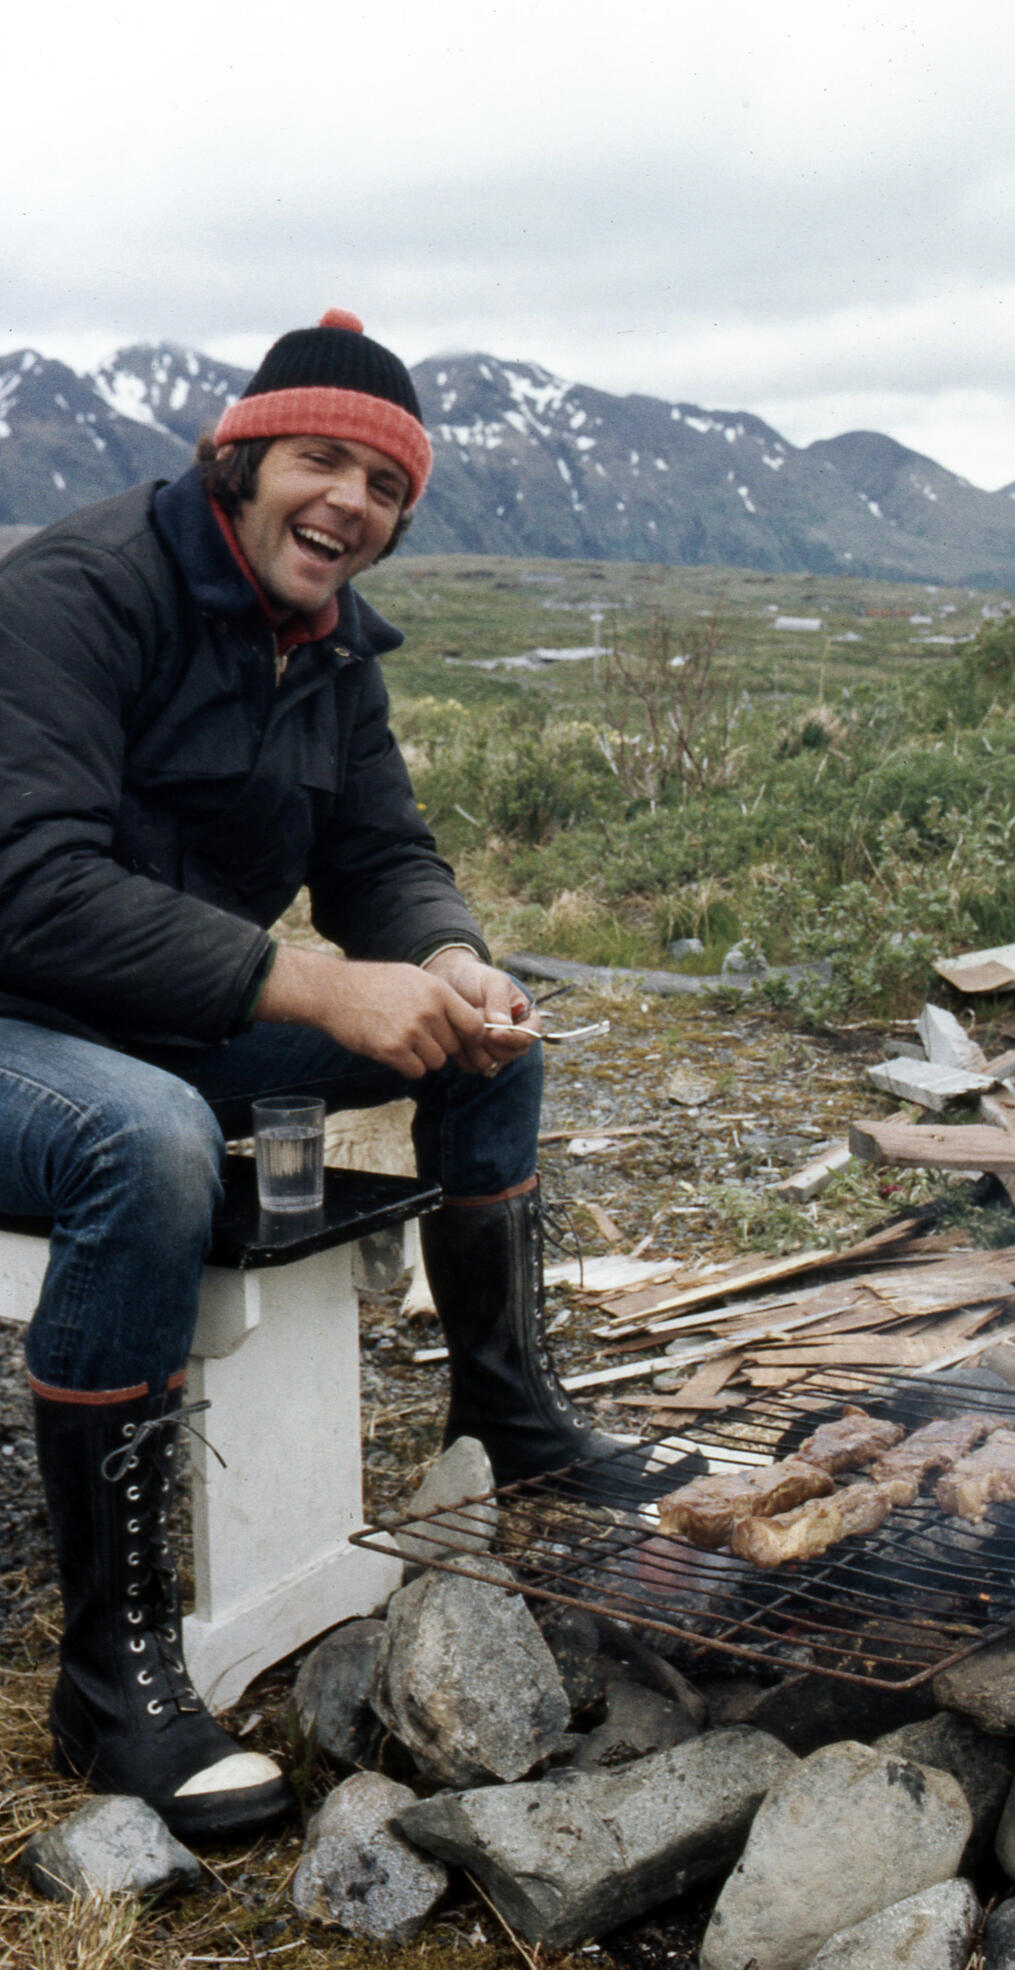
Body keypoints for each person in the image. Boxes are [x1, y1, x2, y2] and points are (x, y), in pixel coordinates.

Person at [0, 309, 632, 1840]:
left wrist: (449, 956)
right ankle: (113, 1674)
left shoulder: (329, 653)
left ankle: (508, 1416)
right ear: (243, 459)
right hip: (21, 1022)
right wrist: (304, 980)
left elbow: (379, 858)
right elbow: (27, 879)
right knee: (143, 1144)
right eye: (320, 460)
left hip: (163, 1014)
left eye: (385, 485)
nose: (350, 501)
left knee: (484, 1041)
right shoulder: (80, 591)